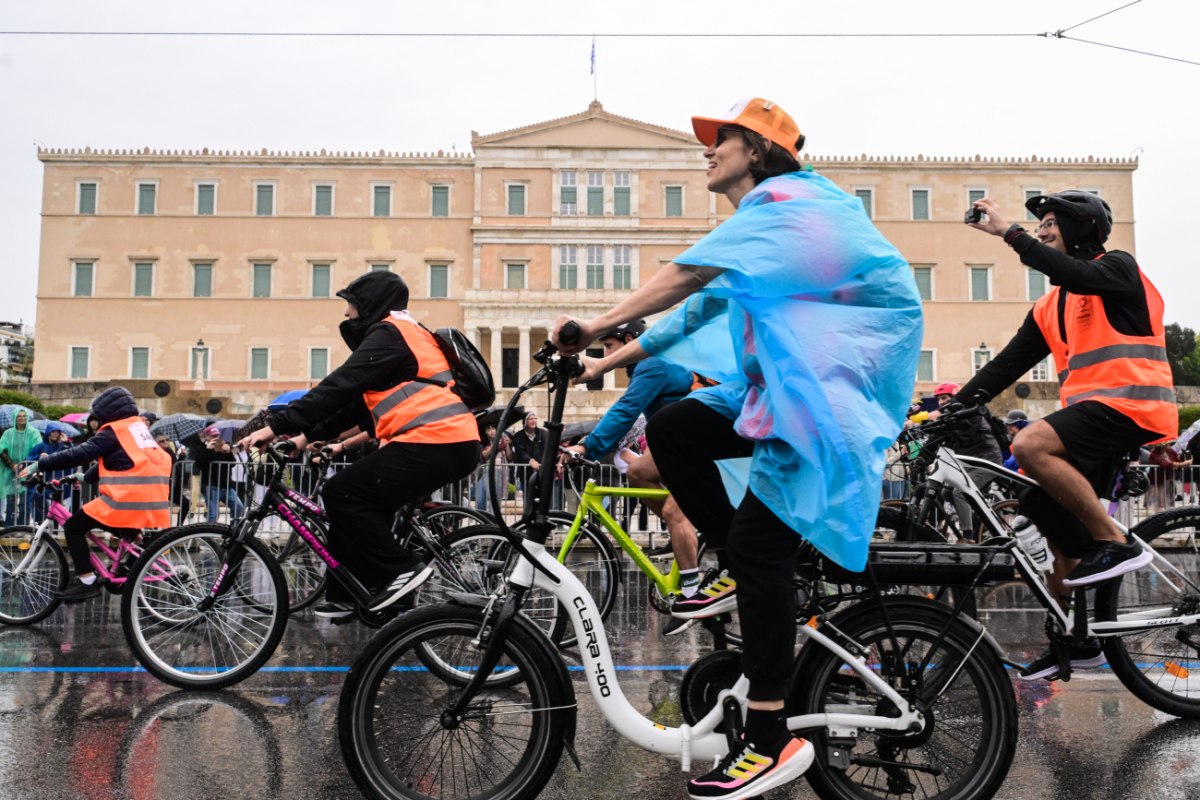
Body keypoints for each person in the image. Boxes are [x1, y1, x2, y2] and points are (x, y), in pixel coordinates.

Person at [553, 97, 922, 800]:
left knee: (759, 546)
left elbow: (689, 275)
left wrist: (592, 322)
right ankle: (740, 566)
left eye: (720, 142)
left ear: (758, 150)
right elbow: (695, 308)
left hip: (824, 397)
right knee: (676, 427)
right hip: (781, 386)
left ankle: (771, 740)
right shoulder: (766, 231)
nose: (707, 153)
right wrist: (601, 364)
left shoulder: (790, 205)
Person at [963, 190, 1177, 680]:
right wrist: (949, 410)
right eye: (1038, 226)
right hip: (1091, 420)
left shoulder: (1119, 269)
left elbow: (1079, 274)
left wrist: (1008, 233)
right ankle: (1079, 643)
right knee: (1039, 506)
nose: (1041, 231)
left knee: (1028, 445)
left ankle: (1114, 540)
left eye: (1050, 223)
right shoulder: (1050, 305)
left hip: (1132, 407)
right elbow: (1006, 365)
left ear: (1082, 228)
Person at [239, 270, 480, 621]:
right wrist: (303, 438)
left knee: (342, 493)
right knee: (358, 505)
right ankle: (350, 595)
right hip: (445, 442)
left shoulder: (391, 333)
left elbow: (339, 384)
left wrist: (276, 425)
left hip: (436, 440)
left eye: (350, 304)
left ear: (368, 304)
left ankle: (401, 571)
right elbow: (356, 405)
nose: (347, 314)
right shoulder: (406, 334)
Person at [559, 319, 704, 633]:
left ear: (629, 340)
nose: (607, 355)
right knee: (637, 470)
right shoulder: (652, 365)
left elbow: (626, 409)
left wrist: (589, 447)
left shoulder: (653, 363)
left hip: (694, 447)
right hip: (677, 445)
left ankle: (692, 598)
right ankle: (687, 528)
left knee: (673, 511)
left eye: (610, 347)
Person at [18, 387, 172, 602]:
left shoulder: (113, 431)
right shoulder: (137, 429)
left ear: (108, 411)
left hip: (127, 498)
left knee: (73, 526)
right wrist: (85, 478)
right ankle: (131, 563)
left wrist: (40, 465)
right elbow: (123, 460)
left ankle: (86, 580)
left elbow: (79, 453)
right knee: (120, 529)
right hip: (151, 497)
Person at [931, 382, 1003, 541]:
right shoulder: (951, 417)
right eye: (939, 400)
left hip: (988, 460)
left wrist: (932, 417)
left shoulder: (969, 413)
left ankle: (968, 536)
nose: (941, 402)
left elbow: (961, 426)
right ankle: (975, 516)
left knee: (960, 493)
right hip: (970, 463)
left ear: (954, 397)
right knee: (946, 492)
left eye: (944, 398)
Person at [192, 425, 245, 524]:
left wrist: (228, 452)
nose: (216, 438)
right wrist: (208, 449)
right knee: (213, 514)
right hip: (212, 486)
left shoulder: (223, 446)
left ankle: (233, 528)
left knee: (238, 507)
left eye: (217, 435)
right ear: (207, 437)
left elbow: (232, 464)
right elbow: (199, 464)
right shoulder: (202, 447)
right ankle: (207, 536)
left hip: (227, 486)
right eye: (213, 436)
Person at [0, 410, 43, 525]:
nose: (21, 418)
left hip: (28, 471)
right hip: (10, 472)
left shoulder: (34, 433)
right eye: (19, 416)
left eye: (24, 416)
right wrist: (12, 465)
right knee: (11, 502)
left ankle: (22, 526)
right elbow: (2, 451)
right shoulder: (7, 433)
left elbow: (37, 450)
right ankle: (9, 527)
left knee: (25, 502)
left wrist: (26, 464)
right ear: (14, 418)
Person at [26, 428, 72, 521]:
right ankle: (39, 524)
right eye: (53, 432)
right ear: (48, 433)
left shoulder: (63, 446)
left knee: (55, 504)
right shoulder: (40, 446)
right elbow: (28, 458)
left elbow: (73, 454)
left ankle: (54, 530)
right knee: (39, 500)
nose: (55, 434)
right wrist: (39, 457)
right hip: (42, 480)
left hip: (57, 479)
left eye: (57, 432)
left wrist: (67, 442)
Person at [508, 411, 547, 512]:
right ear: (525, 422)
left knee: (542, 496)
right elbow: (520, 452)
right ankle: (528, 517)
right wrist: (530, 460)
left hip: (541, 470)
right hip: (526, 473)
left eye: (535, 418)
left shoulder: (543, 434)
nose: (533, 421)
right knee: (528, 496)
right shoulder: (518, 436)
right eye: (530, 419)